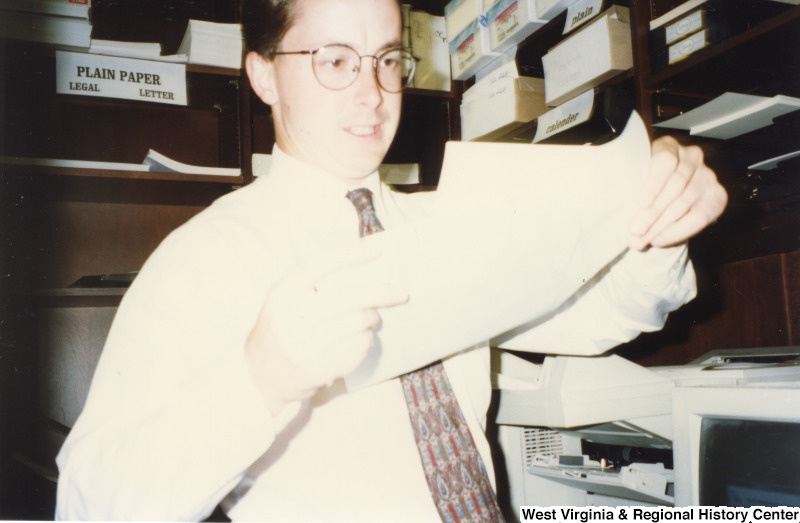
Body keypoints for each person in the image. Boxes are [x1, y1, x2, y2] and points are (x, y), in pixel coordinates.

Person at [54, 0, 728, 520]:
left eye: (385, 59)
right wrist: (258, 377)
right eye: (337, 61)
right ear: (263, 74)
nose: (372, 93)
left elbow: (600, 313)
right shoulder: (202, 259)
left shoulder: (449, 221)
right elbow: (91, 502)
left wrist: (658, 223)